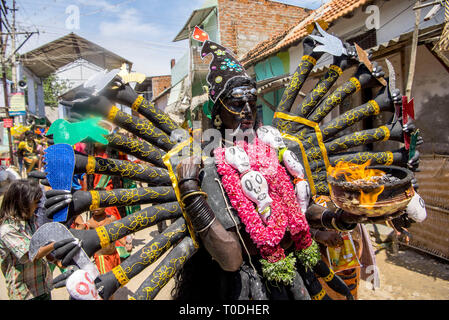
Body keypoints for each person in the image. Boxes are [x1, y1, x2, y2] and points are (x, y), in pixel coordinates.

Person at [0, 179, 75, 300]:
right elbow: (33, 254)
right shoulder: (8, 230)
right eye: (35, 203)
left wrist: (55, 260)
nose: (37, 207)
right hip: (25, 294)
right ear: (22, 203)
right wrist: (57, 244)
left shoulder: (31, 220)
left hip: (43, 288)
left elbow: (41, 246)